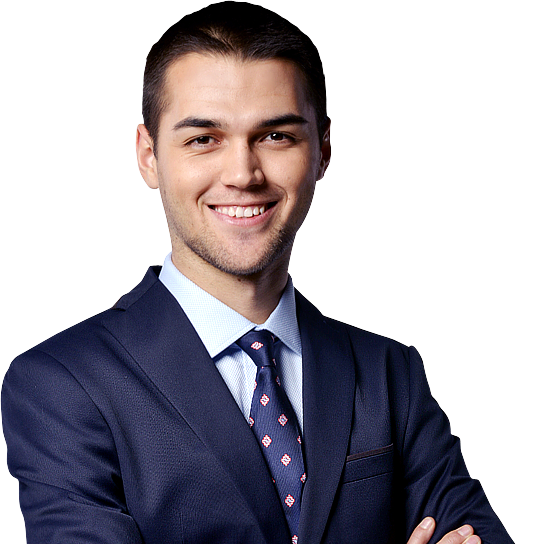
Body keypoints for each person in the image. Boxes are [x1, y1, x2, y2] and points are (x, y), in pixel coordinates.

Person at [1, 1, 514, 543]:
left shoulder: (390, 374)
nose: (243, 174)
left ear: (323, 150)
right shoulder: (59, 385)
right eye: (203, 139)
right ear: (149, 155)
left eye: (276, 136)